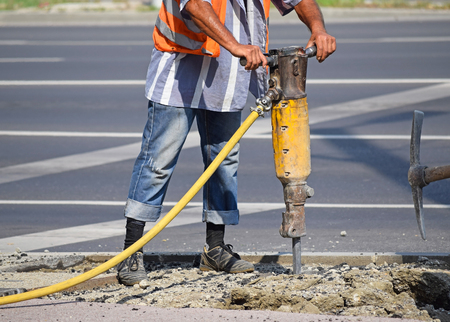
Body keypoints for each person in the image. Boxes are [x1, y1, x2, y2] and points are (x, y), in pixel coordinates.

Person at [116, 0, 336, 285]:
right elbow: (195, 5)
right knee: (157, 160)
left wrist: (318, 29)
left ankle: (215, 249)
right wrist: (235, 45)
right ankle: (131, 252)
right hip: (181, 68)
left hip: (229, 75)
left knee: (223, 162)